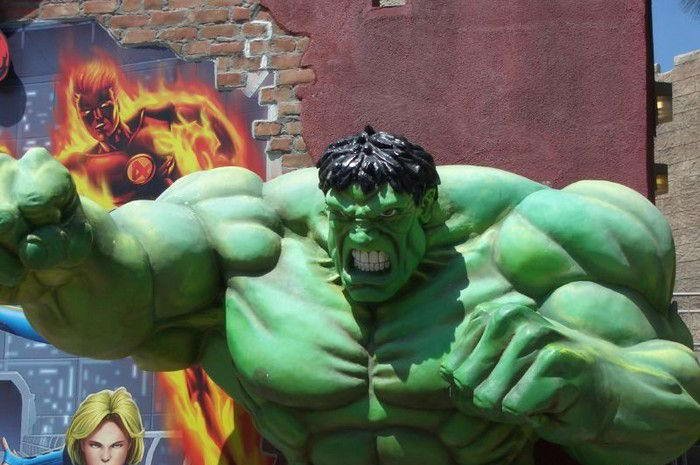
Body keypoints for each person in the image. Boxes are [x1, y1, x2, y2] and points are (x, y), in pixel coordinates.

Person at [0, 127, 698, 465]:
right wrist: (69, 254)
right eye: (345, 219)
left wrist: (595, 385)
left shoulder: (530, 246)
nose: (363, 238)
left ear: (428, 213)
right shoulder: (250, 241)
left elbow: (677, 410)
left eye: (387, 219)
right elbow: (134, 286)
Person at [59, 60, 238, 206]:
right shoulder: (85, 163)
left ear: (116, 100)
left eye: (104, 106)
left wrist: (226, 149)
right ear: (78, 115)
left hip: (182, 216)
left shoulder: (151, 120)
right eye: (87, 113)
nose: (98, 117)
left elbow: (200, 109)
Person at [1, 389, 144, 465]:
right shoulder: (68, 457)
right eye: (95, 445)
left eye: (116, 445)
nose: (105, 457)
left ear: (130, 445)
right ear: (82, 444)